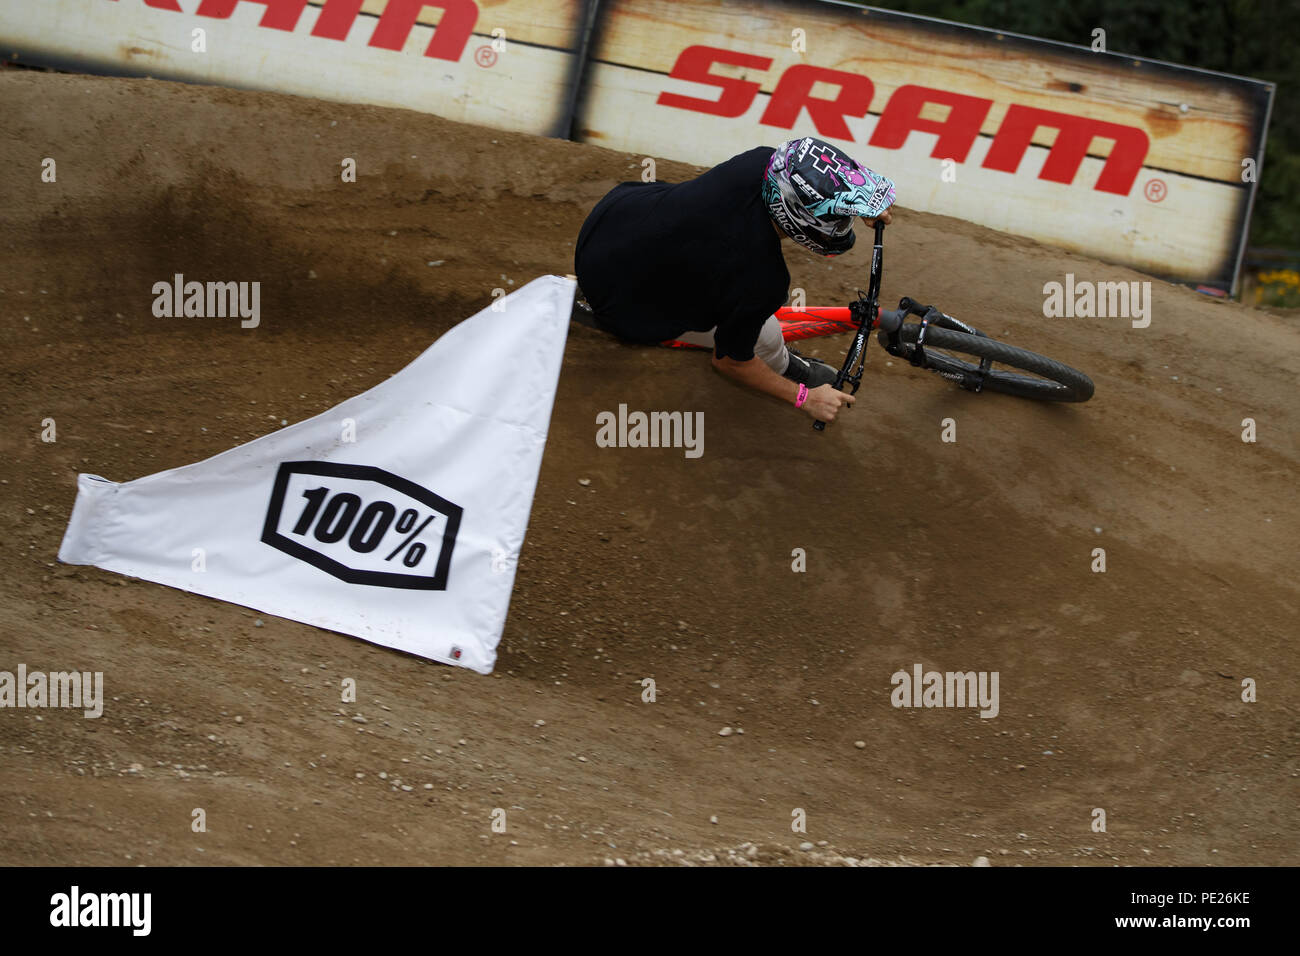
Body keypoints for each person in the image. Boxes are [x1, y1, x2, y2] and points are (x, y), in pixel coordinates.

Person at [574, 136, 896, 424]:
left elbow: (807, 180)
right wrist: (806, 399)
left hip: (610, 220)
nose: (841, 226)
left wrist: (859, 199)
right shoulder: (763, 280)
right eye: (836, 220)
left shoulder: (759, 162)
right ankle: (790, 368)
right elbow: (729, 362)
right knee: (767, 338)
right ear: (798, 216)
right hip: (618, 301)